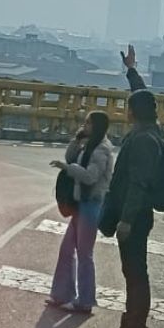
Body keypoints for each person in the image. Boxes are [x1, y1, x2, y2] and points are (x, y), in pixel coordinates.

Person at [97, 45, 162, 328]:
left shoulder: (143, 141)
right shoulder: (151, 130)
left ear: (134, 112)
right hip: (133, 215)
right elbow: (143, 96)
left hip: (134, 217)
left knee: (137, 277)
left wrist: (125, 220)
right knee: (131, 274)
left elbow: (138, 184)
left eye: (128, 107)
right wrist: (132, 71)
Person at [48, 109, 113, 313]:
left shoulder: (102, 150)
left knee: (84, 253)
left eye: (88, 123)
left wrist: (67, 169)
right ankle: (62, 294)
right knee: (67, 250)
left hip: (91, 204)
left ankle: (85, 301)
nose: (85, 126)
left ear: (97, 126)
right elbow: (71, 157)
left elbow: (90, 177)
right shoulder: (89, 144)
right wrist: (77, 139)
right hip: (80, 204)